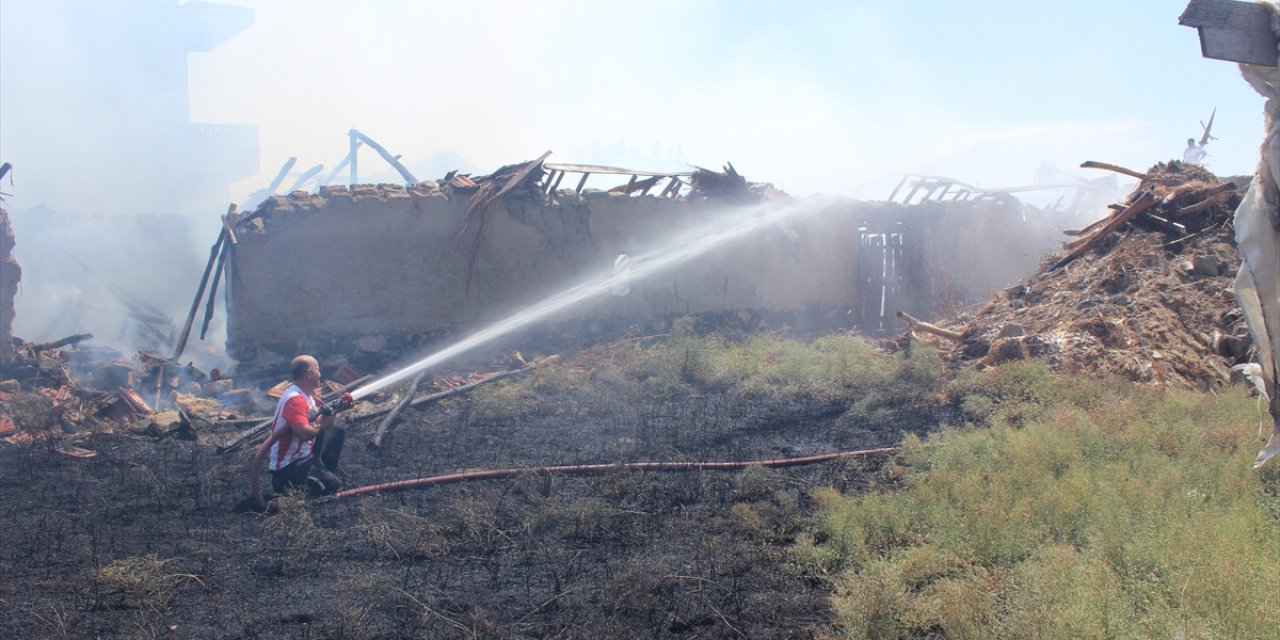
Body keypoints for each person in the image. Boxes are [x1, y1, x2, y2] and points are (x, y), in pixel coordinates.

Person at [250, 355, 346, 509]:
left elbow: (321, 422)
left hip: (304, 457)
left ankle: (321, 474)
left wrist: (336, 410)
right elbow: (302, 433)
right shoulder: (294, 399)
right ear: (309, 373)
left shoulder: (307, 396)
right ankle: (289, 486)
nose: (321, 374)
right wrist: (322, 425)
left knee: (337, 431)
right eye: (318, 369)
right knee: (331, 486)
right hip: (289, 466)